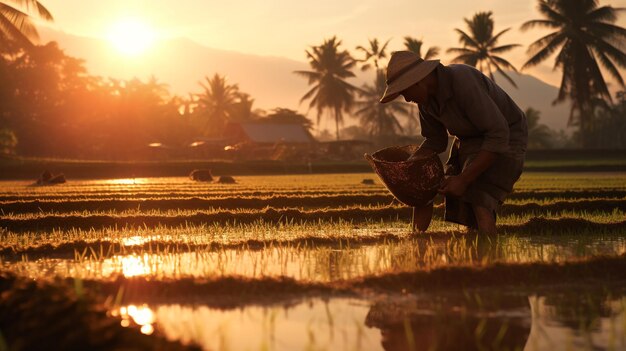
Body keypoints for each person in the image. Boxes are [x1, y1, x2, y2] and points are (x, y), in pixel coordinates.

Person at [380, 51, 527, 234]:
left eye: (405, 92)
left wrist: (464, 179)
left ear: (418, 81)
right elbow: (435, 140)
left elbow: (498, 134)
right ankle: (416, 239)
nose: (407, 99)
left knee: (479, 196)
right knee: (425, 185)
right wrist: (413, 164)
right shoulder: (426, 101)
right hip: (467, 141)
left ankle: (489, 254)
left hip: (506, 136)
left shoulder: (463, 81)